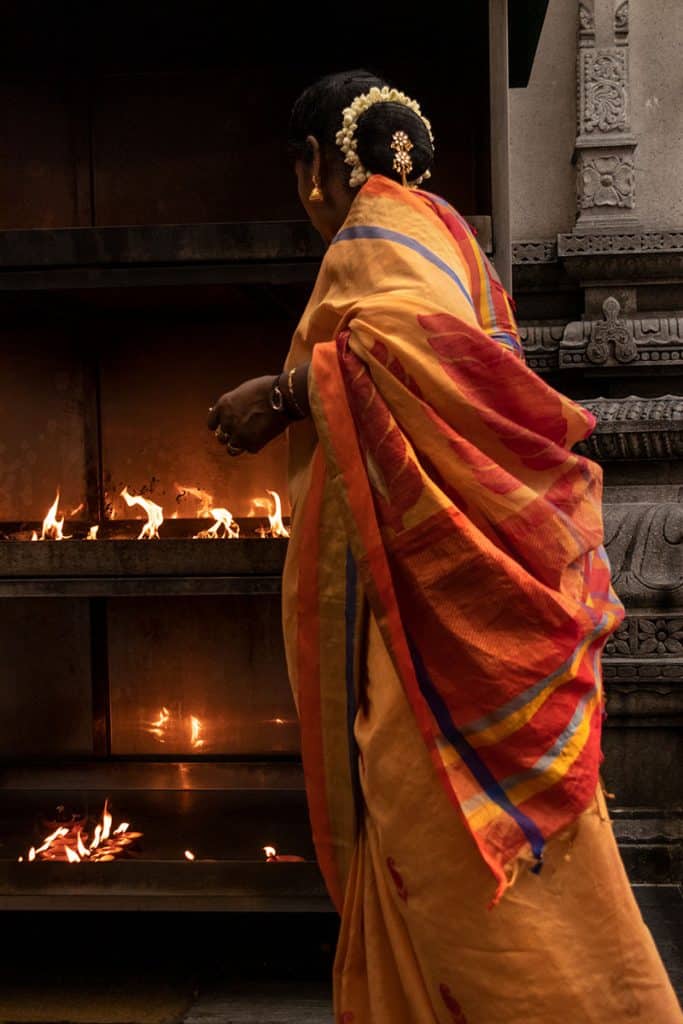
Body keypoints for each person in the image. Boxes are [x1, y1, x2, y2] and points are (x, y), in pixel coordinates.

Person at [208, 70, 681, 1023]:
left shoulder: (372, 240)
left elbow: (407, 357)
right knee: (486, 833)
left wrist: (286, 391)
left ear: (314, 168)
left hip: (429, 623)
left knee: (435, 831)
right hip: (467, 596)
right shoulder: (451, 242)